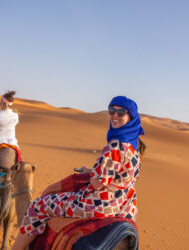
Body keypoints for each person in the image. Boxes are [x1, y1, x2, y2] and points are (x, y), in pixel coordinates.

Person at [12, 96, 145, 250]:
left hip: (101, 204)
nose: (115, 116)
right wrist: (91, 171)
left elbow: (98, 183)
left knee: (39, 205)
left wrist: (93, 175)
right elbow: (120, 175)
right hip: (124, 205)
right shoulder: (134, 148)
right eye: (111, 111)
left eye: (121, 112)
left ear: (130, 116)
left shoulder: (115, 146)